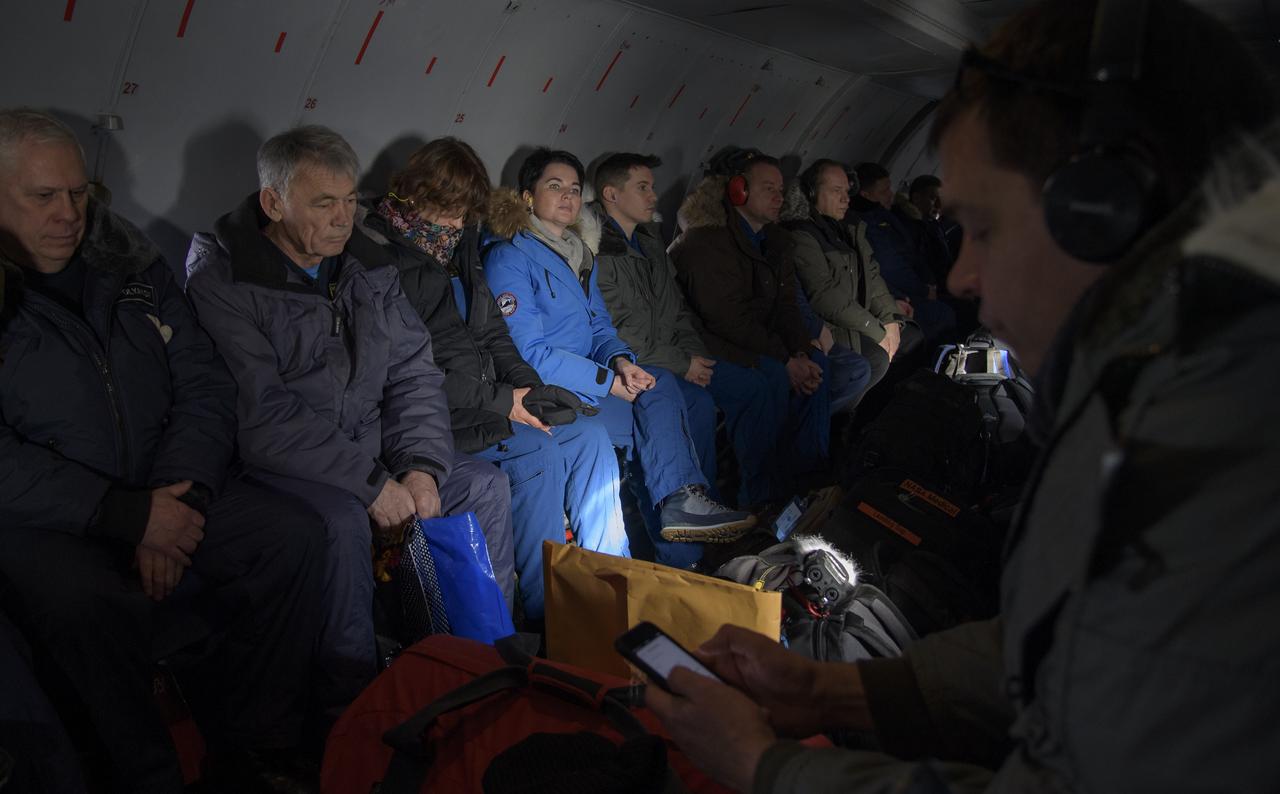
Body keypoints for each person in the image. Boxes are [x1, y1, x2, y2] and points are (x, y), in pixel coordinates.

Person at [645, 0, 1280, 791]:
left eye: (983, 227)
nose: (960, 276)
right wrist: (841, 689)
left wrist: (761, 767)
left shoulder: (1223, 457)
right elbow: (1077, 646)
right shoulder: (1169, 388)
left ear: (1105, 215)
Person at [0, 109, 325, 793]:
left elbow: (203, 382)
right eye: (43, 197)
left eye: (78, 193)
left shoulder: (127, 263)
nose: (68, 214)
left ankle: (258, 747)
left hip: (167, 483)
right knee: (88, 603)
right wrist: (126, 516)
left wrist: (179, 496)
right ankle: (144, 775)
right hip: (51, 519)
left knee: (291, 536)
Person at [185, 125, 514, 719]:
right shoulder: (225, 282)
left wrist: (418, 466)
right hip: (283, 468)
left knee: (482, 485)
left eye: (349, 201)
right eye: (323, 204)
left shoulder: (367, 264)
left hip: (375, 449)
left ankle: (478, 668)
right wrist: (371, 484)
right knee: (337, 522)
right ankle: (353, 703)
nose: (342, 219)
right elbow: (266, 416)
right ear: (273, 203)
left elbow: (414, 372)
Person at [357, 137, 624, 619]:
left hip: (487, 397)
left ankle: (606, 581)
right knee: (537, 450)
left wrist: (530, 389)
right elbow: (412, 375)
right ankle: (546, 611)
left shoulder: (458, 248)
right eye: (451, 211)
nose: (459, 225)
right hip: (438, 414)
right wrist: (506, 401)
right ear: (418, 195)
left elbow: (493, 332)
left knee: (587, 435)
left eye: (465, 214)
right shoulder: (383, 259)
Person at [482, 148, 754, 568]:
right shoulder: (510, 257)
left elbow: (601, 328)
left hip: (589, 380)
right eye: (554, 187)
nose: (568, 197)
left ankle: (684, 529)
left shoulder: (577, 253)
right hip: (548, 389)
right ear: (526, 198)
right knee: (657, 441)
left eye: (574, 189)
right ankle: (680, 541)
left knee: (658, 385)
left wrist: (623, 363)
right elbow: (529, 353)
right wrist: (606, 381)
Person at [590, 152, 792, 509]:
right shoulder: (597, 253)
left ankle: (750, 499)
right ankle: (702, 505)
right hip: (639, 361)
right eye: (643, 188)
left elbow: (677, 309)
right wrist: (684, 363)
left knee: (754, 386)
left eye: (651, 187)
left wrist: (695, 355)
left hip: (676, 354)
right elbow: (618, 331)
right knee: (698, 402)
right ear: (611, 195)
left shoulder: (651, 241)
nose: (654, 196)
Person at [670, 150, 831, 486]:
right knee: (768, 378)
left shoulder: (774, 241)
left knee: (818, 365)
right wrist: (785, 358)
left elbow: (787, 306)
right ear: (737, 191)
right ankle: (758, 490)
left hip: (752, 340)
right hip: (711, 343)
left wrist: (799, 352)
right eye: (768, 189)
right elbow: (726, 319)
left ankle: (805, 473)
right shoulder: (707, 242)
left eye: (781, 190)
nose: (778, 197)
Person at [781, 158, 908, 396]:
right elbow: (824, 295)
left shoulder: (849, 228)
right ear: (812, 193)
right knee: (875, 361)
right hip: (834, 328)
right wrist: (876, 329)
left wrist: (891, 319)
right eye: (836, 191)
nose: (845, 199)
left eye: (847, 191)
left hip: (855, 322)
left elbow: (873, 275)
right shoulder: (802, 234)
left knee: (908, 340)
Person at [851, 161, 957, 348]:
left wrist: (930, 283)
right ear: (865, 194)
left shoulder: (888, 216)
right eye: (883, 191)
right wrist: (923, 290)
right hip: (902, 293)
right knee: (942, 313)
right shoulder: (868, 223)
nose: (890, 194)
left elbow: (912, 255)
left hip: (913, 288)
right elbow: (890, 266)